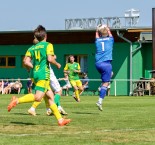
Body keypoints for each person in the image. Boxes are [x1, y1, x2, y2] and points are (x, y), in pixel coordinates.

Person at [7, 25, 71, 126]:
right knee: (38, 97)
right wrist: (57, 64)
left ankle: (60, 120)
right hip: (43, 75)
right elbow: (50, 59)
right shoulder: (48, 45)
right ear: (45, 35)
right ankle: (17, 100)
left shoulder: (32, 48)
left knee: (50, 97)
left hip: (35, 74)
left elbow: (26, 62)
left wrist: (34, 67)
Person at [95, 24, 114, 111]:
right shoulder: (110, 40)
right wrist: (107, 28)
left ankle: (101, 86)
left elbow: (97, 36)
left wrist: (97, 30)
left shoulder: (97, 41)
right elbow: (110, 34)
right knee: (106, 83)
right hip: (106, 64)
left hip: (98, 64)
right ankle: (99, 101)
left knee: (111, 74)